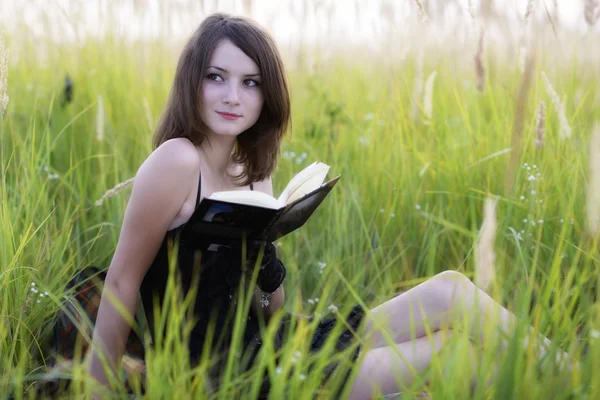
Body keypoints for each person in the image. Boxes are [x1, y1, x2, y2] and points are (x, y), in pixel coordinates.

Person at [88, 13, 575, 400]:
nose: (233, 96)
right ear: (193, 80)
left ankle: (574, 376)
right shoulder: (176, 160)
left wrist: (265, 251)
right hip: (220, 375)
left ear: (267, 94)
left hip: (270, 345)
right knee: (453, 354)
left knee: (450, 290)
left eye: (251, 82)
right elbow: (122, 280)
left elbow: (270, 310)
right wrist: (97, 392)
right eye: (217, 77)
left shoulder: (252, 172)